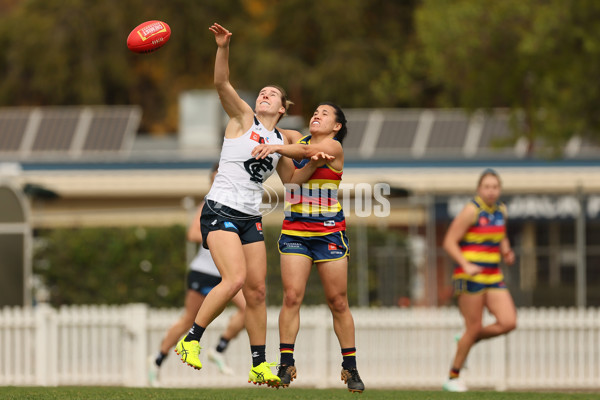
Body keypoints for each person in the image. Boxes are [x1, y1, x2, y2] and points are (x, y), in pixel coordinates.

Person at [175, 22, 312, 388]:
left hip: (251, 216)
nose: (265, 96)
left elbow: (294, 181)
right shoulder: (243, 119)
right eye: (262, 92)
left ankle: (258, 365)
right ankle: (191, 340)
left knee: (257, 291)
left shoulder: (281, 138)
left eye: (273, 95)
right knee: (234, 280)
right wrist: (223, 48)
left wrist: (314, 158)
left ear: (283, 108)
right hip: (220, 209)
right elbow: (221, 84)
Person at [251, 102, 365, 393]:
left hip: (329, 232)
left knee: (338, 301)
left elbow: (305, 153)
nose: (317, 115)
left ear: (337, 126)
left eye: (325, 114)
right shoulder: (294, 139)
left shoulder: (334, 148)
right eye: (315, 111)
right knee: (291, 297)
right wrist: (271, 107)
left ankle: (350, 366)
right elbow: (270, 131)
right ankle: (285, 362)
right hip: (295, 231)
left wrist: (276, 148)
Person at [147, 164, 245, 386]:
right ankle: (157, 360)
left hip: (226, 274)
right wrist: (221, 237)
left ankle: (219, 349)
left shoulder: (237, 206)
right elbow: (193, 233)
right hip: (205, 271)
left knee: (250, 308)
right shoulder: (208, 204)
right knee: (189, 320)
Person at [442, 168, 517, 392]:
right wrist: (465, 264)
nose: (491, 191)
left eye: (495, 187)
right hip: (469, 277)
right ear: (479, 189)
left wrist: (506, 251)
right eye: (487, 187)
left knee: (508, 322)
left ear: (499, 189)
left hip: (493, 275)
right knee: (473, 326)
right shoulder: (470, 211)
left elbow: (501, 234)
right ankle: (452, 378)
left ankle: (466, 339)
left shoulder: (501, 210)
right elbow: (449, 242)